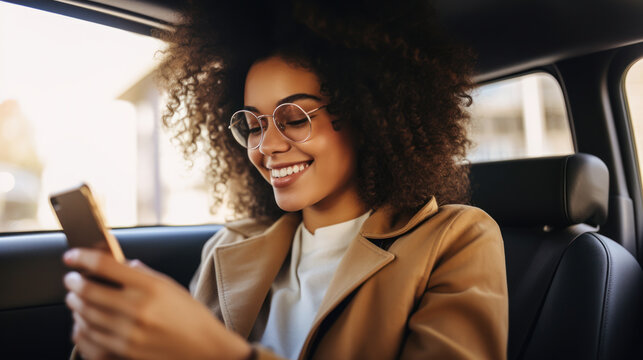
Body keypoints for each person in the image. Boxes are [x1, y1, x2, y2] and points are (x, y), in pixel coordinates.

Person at [63, 1, 508, 359]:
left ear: (368, 115)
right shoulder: (228, 246)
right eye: (254, 125)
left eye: (293, 118)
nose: (267, 145)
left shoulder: (457, 240)